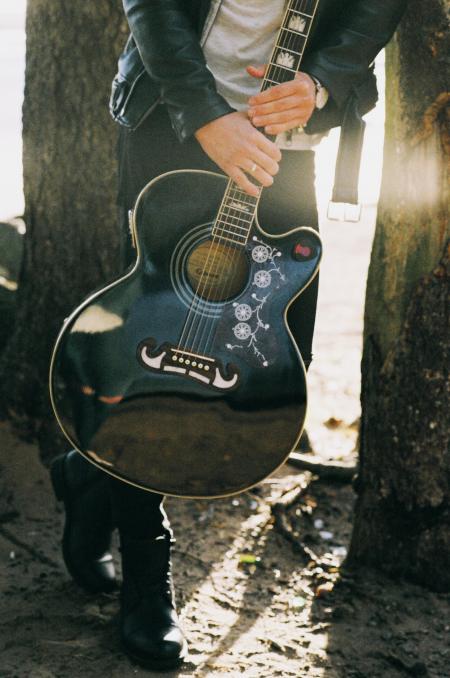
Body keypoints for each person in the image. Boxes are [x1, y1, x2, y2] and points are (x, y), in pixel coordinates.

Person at [52, 0, 407, 671]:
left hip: (289, 142)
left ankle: (88, 473)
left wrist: (322, 83)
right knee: (154, 347)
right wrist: (205, 115)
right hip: (174, 118)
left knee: (272, 359)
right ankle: (147, 572)